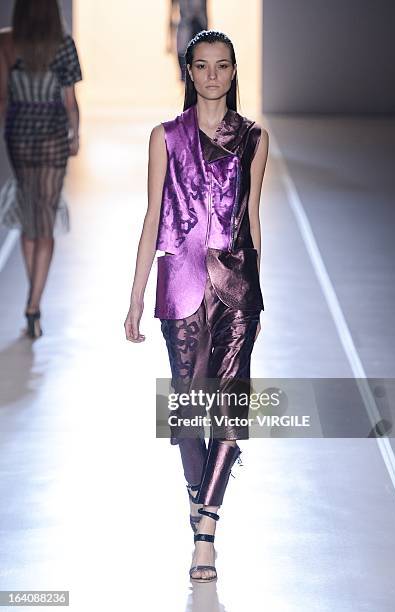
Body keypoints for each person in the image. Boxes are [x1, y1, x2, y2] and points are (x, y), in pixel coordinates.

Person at [124, 30, 268, 582]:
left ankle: (205, 530)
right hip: (180, 284)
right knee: (188, 412)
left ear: (234, 72)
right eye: (202, 65)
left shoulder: (256, 139)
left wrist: (256, 293)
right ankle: (197, 490)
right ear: (190, 71)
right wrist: (136, 297)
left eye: (222, 65)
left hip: (236, 287)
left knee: (231, 410)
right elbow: (151, 217)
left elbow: (252, 218)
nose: (212, 75)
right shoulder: (165, 137)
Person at [0, 0, 82, 338]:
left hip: (19, 133)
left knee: (29, 214)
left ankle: (32, 300)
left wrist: (12, 126)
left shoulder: (5, 40)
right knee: (44, 214)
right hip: (52, 134)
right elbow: (70, 101)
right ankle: (34, 304)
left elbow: (3, 98)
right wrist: (76, 134)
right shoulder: (63, 43)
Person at [167, 0, 208, 81]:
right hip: (184, 35)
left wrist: (208, 40)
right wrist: (170, 40)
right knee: (185, 75)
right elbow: (171, 16)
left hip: (197, 34)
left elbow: (205, 14)